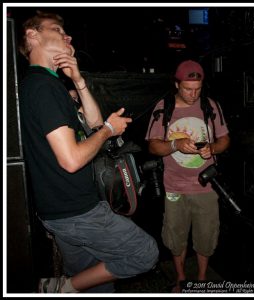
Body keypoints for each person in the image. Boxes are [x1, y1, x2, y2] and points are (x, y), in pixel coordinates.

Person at [18, 11, 159, 293]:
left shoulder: (50, 85)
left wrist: (78, 80)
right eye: (57, 29)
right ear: (32, 35)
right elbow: (72, 159)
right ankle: (61, 288)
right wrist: (109, 129)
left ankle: (72, 285)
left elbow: (93, 122)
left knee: (94, 280)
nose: (67, 35)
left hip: (61, 211)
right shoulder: (43, 86)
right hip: (77, 210)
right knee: (144, 253)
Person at [145, 60, 230, 292]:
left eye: (198, 89)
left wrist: (212, 148)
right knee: (175, 237)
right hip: (174, 187)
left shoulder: (210, 106)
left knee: (206, 237)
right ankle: (181, 278)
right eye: (187, 89)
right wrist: (176, 144)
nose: (193, 94)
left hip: (206, 185)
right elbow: (153, 146)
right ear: (176, 84)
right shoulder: (164, 107)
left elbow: (224, 139)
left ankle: (202, 278)